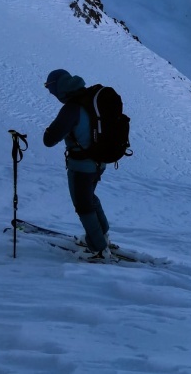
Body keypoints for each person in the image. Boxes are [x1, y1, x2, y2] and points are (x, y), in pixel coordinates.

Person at [42, 69, 111, 258]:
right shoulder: (91, 98)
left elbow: (49, 139)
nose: (50, 92)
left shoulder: (72, 108)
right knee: (89, 197)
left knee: (83, 204)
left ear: (59, 87)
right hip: (100, 161)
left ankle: (97, 249)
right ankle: (102, 236)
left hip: (81, 166)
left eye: (49, 87)